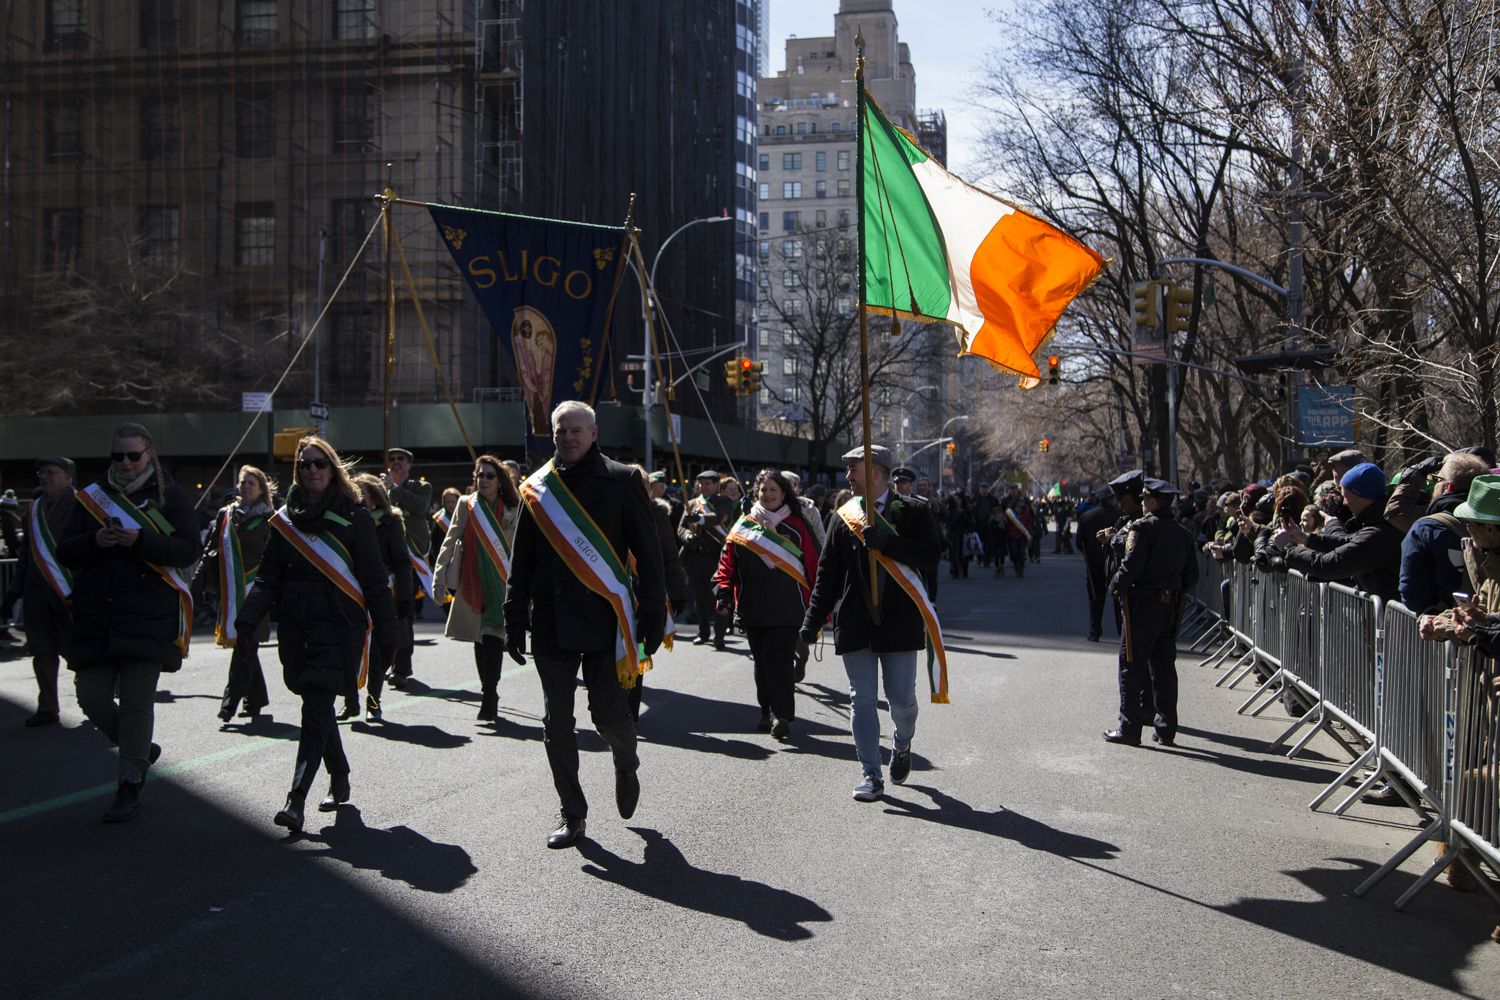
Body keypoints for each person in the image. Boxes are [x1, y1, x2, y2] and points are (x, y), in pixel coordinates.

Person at [503, 401, 665, 849]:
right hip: (552, 620)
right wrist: (514, 615)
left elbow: (648, 554)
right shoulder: (537, 488)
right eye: (560, 431)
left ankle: (626, 760)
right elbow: (524, 559)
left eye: (576, 430)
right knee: (556, 722)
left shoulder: (623, 479)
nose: (568, 437)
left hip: (605, 620)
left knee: (608, 715)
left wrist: (653, 613)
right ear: (551, 436)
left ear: (594, 433)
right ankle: (573, 813)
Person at [235, 436, 398, 832]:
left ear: (332, 468)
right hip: (296, 626)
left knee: (315, 707)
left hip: (340, 626)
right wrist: (246, 620)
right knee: (317, 704)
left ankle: (296, 799)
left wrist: (389, 634)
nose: (312, 470)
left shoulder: (355, 516)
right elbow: (269, 576)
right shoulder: (285, 521)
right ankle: (339, 773)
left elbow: (375, 582)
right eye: (305, 464)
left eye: (320, 463)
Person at [57, 424, 201, 822]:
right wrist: (93, 542)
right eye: (116, 456)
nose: (123, 462)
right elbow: (65, 550)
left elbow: (189, 548)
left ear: (149, 453)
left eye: (132, 456)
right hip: (97, 614)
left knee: (138, 703)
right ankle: (139, 749)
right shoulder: (90, 498)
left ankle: (129, 784)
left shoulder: (169, 494)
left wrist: (139, 540)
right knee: (91, 697)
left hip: (149, 615)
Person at [800, 445, 943, 801]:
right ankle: (870, 772)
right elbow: (827, 576)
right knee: (861, 698)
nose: (847, 476)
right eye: (847, 469)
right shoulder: (841, 517)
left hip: (898, 621)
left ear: (877, 471)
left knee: (902, 700)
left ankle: (902, 742)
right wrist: (810, 624)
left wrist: (889, 544)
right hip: (856, 620)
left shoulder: (912, 511)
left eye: (854, 469)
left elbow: (932, 556)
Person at [714, 469, 821, 740]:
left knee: (779, 660)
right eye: (763, 490)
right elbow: (727, 564)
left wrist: (821, 606)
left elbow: (813, 564)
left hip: (789, 608)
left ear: (784, 493)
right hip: (753, 606)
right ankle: (766, 711)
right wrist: (724, 593)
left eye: (773, 489)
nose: (768, 494)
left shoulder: (798, 526)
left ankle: (780, 715)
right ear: (756, 493)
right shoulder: (744, 525)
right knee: (762, 663)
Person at [1103, 478, 1198, 747]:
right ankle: (1166, 728)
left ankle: (1129, 728)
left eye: (1144, 500)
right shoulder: (1182, 532)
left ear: (1153, 502)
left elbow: (1131, 566)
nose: (1142, 504)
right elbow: (1193, 575)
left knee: (1131, 666)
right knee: (1164, 668)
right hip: (1170, 607)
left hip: (1142, 606)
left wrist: (1116, 585)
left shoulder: (1142, 529)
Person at [434, 454, 521, 721]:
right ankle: (488, 690)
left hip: (502, 581)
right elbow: (450, 541)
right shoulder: (466, 504)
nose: (483, 480)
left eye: (489, 476)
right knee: (479, 639)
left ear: (500, 480)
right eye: (479, 475)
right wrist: (438, 577)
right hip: (472, 580)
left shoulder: (514, 505)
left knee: (493, 636)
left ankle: (489, 694)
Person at [194, 465, 275, 723]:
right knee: (245, 645)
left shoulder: (270, 519)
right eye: (242, 482)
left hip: (258, 590)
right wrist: (198, 581)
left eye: (251, 482)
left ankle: (230, 702)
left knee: (246, 644)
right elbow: (210, 547)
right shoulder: (226, 515)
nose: (245, 486)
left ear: (261, 488)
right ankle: (256, 699)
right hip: (230, 590)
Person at [1, 456, 78, 727]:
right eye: (41, 473)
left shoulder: (83, 506)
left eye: (51, 473)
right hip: (37, 594)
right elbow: (25, 557)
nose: (44, 477)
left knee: (78, 652)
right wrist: (13, 593)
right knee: (42, 653)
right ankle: (47, 707)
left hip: (70, 592)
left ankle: (92, 700)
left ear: (68, 476)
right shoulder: (33, 509)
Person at [1272, 461, 1403, 601]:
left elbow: (1328, 565)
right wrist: (1306, 538)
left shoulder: (1379, 533)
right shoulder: (1378, 525)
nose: (1345, 502)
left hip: (1387, 619)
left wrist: (1288, 548)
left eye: (1346, 496)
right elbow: (1348, 542)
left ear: (1361, 496)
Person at [348, 474, 414, 722]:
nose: (358, 497)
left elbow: (401, 562)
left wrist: (405, 597)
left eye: (362, 493)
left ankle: (373, 701)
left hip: (381, 593)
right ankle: (350, 701)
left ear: (375, 497)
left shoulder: (390, 523)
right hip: (351, 591)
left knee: (377, 653)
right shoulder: (348, 520)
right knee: (350, 649)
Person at [1397, 452, 1489, 613]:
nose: (1433, 486)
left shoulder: (1425, 529)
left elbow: (1413, 595)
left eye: (1435, 480)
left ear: (1448, 487)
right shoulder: (1493, 522)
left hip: (1447, 627)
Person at [383, 447, 432, 687]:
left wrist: (394, 489)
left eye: (401, 459)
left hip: (410, 558)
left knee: (403, 614)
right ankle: (388, 660)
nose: (395, 462)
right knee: (385, 614)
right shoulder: (380, 487)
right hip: (386, 559)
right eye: (391, 459)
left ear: (410, 464)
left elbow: (420, 508)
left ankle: (402, 666)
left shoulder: (420, 487)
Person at [678, 470, 734, 648]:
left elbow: (718, 518)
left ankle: (719, 636)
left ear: (717, 485)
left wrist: (700, 518)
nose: (704, 487)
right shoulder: (692, 503)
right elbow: (681, 527)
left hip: (716, 557)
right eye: (701, 483)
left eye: (708, 483)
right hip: (695, 556)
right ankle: (703, 632)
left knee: (719, 596)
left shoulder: (723, 501)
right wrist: (687, 537)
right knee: (699, 597)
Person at [1076, 485, 1117, 640]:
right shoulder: (1119, 515)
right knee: (1118, 600)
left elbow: (1080, 542)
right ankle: (1122, 632)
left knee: (1095, 599)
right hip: (1115, 564)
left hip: (1094, 564)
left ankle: (1095, 632)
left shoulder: (1087, 517)